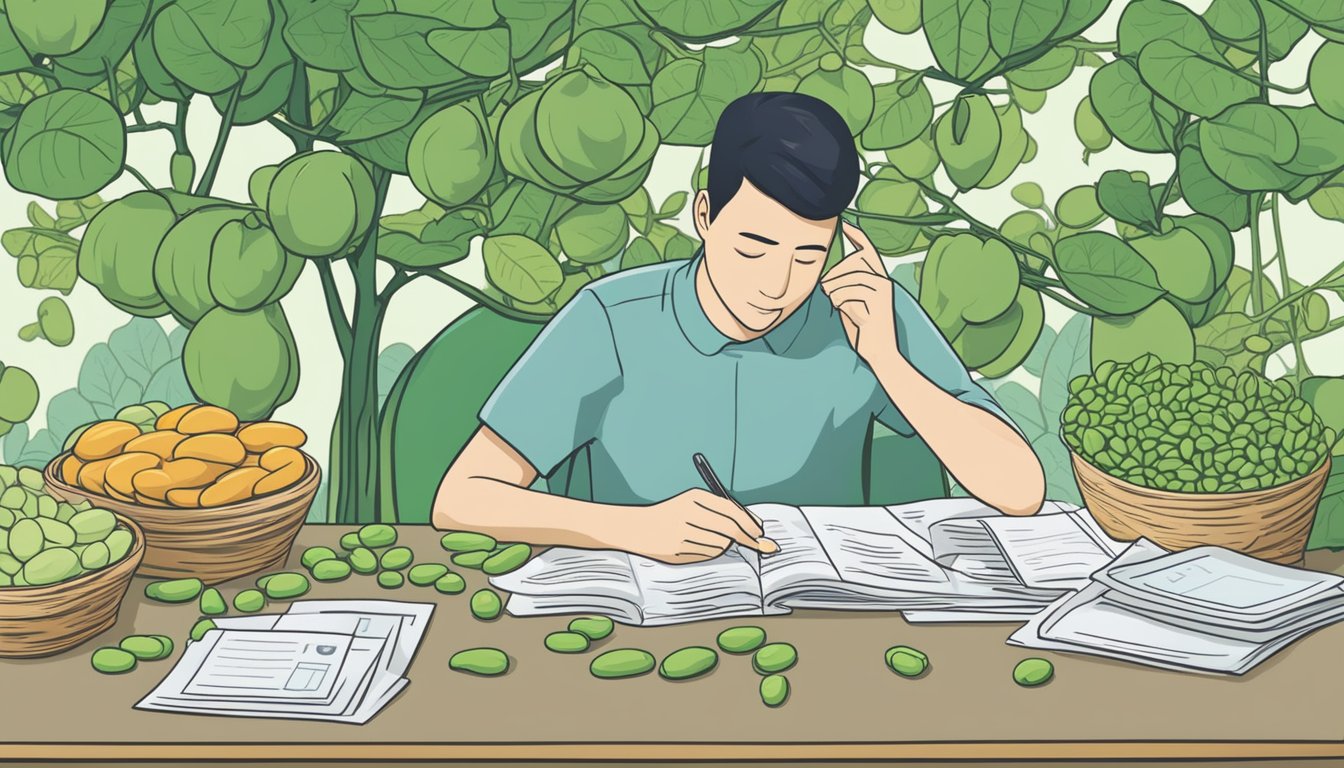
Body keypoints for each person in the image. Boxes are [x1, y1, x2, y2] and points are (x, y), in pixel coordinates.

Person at [433, 92, 1044, 565]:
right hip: (637, 632)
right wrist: (634, 529)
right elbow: (461, 497)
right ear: (705, 215)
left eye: (808, 254)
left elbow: (1020, 489)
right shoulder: (610, 320)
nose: (776, 284)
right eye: (754, 245)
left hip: (820, 634)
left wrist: (886, 359)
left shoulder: (863, 310)